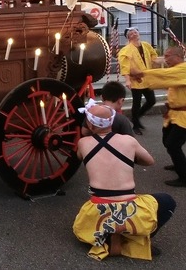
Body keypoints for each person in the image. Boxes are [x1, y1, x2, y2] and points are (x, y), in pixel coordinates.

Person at [73, 99, 176, 260]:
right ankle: (134, 236)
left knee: (90, 212)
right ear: (112, 122)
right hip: (130, 210)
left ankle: (106, 235)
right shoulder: (129, 141)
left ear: (91, 125)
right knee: (168, 201)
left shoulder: (83, 143)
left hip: (99, 210)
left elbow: (80, 156)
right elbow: (149, 161)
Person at [131, 46, 186, 187]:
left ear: (178, 56)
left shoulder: (183, 69)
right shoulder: (177, 71)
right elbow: (166, 80)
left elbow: (164, 75)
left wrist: (142, 73)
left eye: (168, 56)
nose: (165, 59)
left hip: (183, 116)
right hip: (174, 114)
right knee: (167, 140)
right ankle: (179, 162)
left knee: (173, 144)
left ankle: (184, 176)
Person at [117, 27, 160, 134]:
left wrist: (158, 62)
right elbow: (125, 66)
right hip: (136, 79)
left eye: (135, 32)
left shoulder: (146, 45)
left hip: (147, 78)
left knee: (151, 100)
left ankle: (136, 117)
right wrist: (127, 80)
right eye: (131, 33)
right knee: (136, 103)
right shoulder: (126, 50)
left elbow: (153, 55)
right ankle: (135, 126)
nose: (134, 34)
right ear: (128, 37)